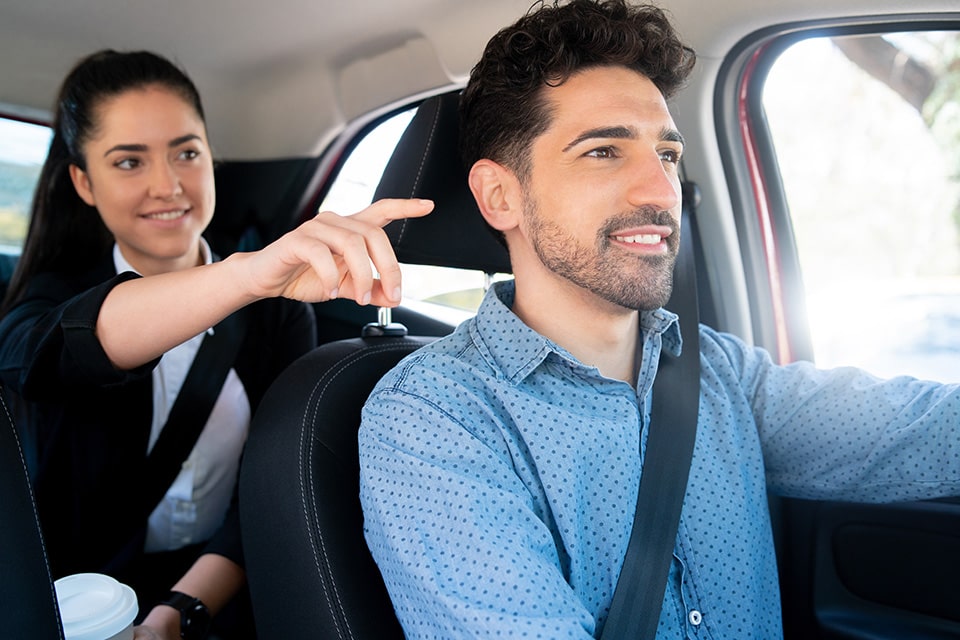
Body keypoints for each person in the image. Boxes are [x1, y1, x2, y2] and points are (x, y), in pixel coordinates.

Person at [357, 1, 960, 638]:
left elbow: (919, 432)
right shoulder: (435, 418)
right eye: (603, 153)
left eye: (667, 155)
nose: (660, 190)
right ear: (500, 196)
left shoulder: (718, 371)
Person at [0, 49, 432, 639]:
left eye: (186, 152)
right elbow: (50, 357)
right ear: (83, 181)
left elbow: (269, 479)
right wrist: (243, 278)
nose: (167, 185)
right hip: (77, 604)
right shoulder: (51, 297)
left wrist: (181, 610)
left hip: (210, 596)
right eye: (129, 161)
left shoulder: (273, 314)